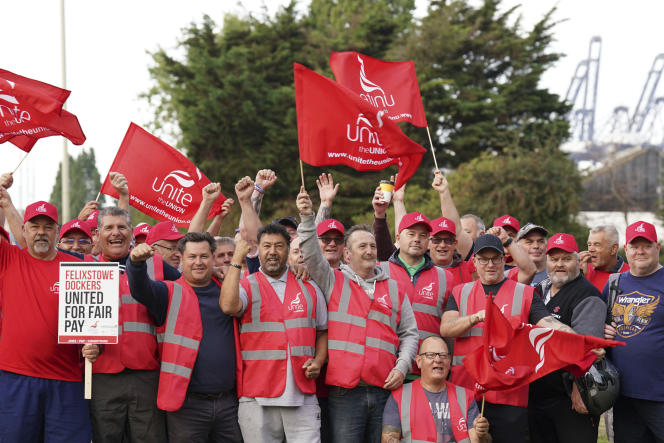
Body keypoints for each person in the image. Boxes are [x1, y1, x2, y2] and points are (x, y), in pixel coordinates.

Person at [297, 187, 419, 443]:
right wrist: (308, 218)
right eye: (362, 246)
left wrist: (402, 366)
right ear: (347, 254)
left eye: (372, 245)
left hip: (385, 388)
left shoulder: (395, 288)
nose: (370, 250)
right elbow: (310, 253)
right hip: (345, 392)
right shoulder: (334, 281)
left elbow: (409, 334)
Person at [441, 234, 575, 443]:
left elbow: (548, 323)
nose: (490, 264)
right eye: (483, 259)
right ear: (474, 261)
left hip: (510, 394)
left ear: (504, 260)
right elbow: (446, 328)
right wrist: (476, 317)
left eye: (495, 258)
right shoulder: (460, 292)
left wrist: (573, 336)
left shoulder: (525, 293)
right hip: (466, 391)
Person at [126, 232, 242, 442]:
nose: (198, 262)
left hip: (229, 403)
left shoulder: (229, 291)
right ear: (181, 258)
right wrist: (135, 263)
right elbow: (140, 289)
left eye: (204, 257)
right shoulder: (168, 293)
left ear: (213, 258)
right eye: (192, 257)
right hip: (186, 406)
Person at [0, 195, 99, 442]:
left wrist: (95, 344)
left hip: (66, 380)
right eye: (35, 226)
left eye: (48, 227)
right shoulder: (8, 259)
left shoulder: (78, 269)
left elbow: (94, 322)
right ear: (24, 229)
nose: (41, 233)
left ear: (58, 230)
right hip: (16, 377)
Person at [220, 223, 328, 443]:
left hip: (303, 393)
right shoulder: (246, 285)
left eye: (279, 246)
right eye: (266, 246)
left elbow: (322, 331)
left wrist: (318, 360)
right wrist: (236, 261)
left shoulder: (309, 286)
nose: (272, 251)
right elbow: (229, 306)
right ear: (257, 249)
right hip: (256, 395)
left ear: (288, 250)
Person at [87, 207, 180, 443]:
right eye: (108, 227)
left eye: (122, 227)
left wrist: (219, 272)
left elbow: (190, 286)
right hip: (102, 375)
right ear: (97, 234)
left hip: (146, 375)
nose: (115, 233)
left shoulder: (155, 263)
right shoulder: (83, 266)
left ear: (132, 232)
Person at [529, 233, 607, 443]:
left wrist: (578, 389)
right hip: (539, 393)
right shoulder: (539, 289)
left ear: (578, 260)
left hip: (569, 397)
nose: (559, 265)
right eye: (554, 259)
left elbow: (587, 349)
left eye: (566, 259)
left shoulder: (587, 295)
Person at [603, 221, 664, 443]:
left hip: (660, 394)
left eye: (646, 245)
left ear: (657, 247)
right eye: (634, 246)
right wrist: (604, 331)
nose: (640, 251)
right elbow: (599, 325)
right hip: (624, 395)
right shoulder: (614, 284)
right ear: (625, 249)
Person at [376, 211, 455, 374]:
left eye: (423, 235)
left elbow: (449, 331)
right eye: (411, 234)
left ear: (428, 241)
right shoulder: (379, 271)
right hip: (385, 370)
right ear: (398, 237)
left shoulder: (445, 277)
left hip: (427, 373)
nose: (417, 239)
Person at [382, 336, 490, 443]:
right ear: (419, 361)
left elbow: (476, 440)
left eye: (443, 355)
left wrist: (482, 434)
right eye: (431, 355)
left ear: (449, 361)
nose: (438, 360)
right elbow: (387, 439)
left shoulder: (466, 396)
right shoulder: (400, 396)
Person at [580, 225, 629, 292]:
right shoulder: (582, 270)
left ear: (613, 249)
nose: (591, 249)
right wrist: (579, 277)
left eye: (597, 244)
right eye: (589, 245)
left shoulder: (631, 274)